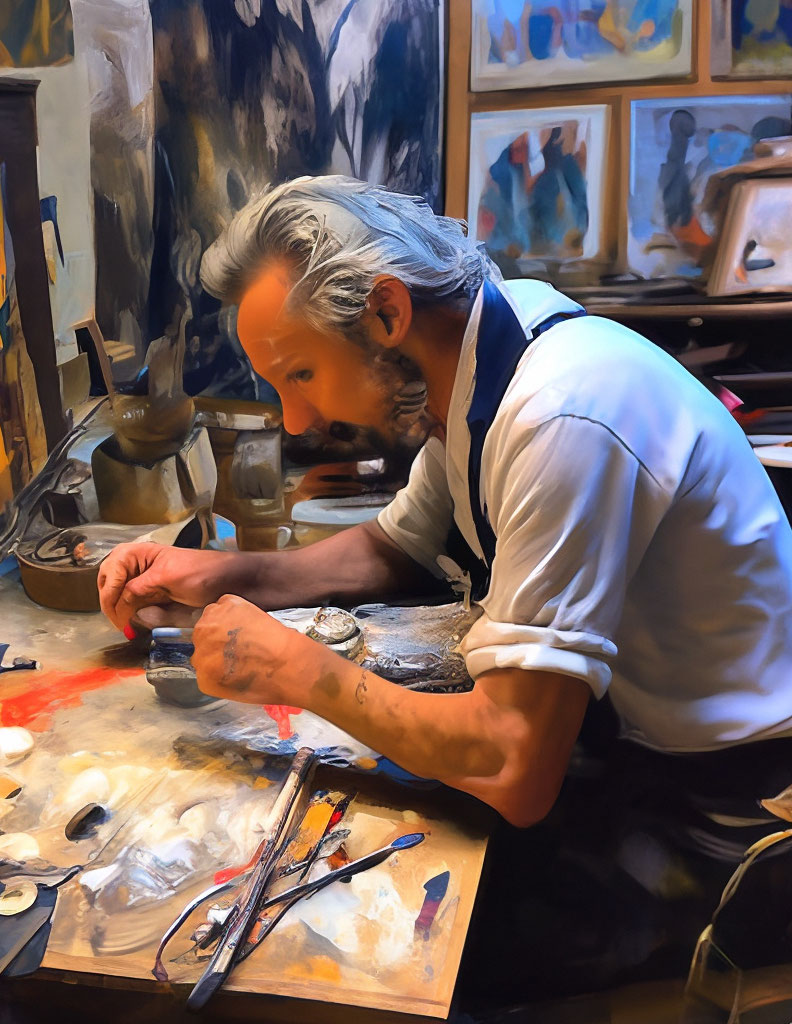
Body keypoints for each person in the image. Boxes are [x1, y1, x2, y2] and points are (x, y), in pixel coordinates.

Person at [98, 175, 792, 997]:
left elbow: (513, 763)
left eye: (301, 374)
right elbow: (395, 546)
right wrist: (230, 573)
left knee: (401, 964)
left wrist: (292, 669)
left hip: (735, 808)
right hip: (641, 745)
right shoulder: (486, 348)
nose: (296, 419)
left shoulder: (560, 412)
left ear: (386, 313)